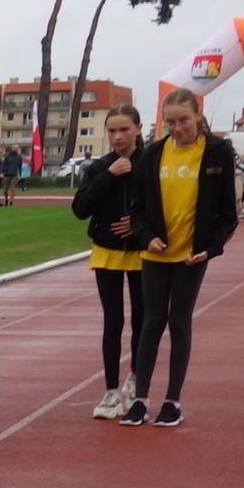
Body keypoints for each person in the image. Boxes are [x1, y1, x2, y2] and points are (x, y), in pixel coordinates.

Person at [121, 87, 236, 428]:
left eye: (183, 120)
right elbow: (137, 209)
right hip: (155, 253)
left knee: (179, 321)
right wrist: (147, 236)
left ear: (198, 115)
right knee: (151, 322)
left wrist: (211, 248)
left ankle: (172, 401)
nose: (177, 128)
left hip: (191, 255)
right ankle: (140, 400)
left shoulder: (217, 152)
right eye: (169, 122)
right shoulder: (153, 154)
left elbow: (228, 214)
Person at [73, 105, 147, 420]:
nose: (118, 137)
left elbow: (165, 205)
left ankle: (137, 378)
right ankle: (111, 390)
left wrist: (139, 224)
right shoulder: (99, 167)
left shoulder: (151, 162)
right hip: (107, 250)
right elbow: (80, 209)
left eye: (124, 130)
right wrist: (109, 175)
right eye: (112, 131)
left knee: (143, 319)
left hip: (144, 251)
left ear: (138, 128)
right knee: (113, 320)